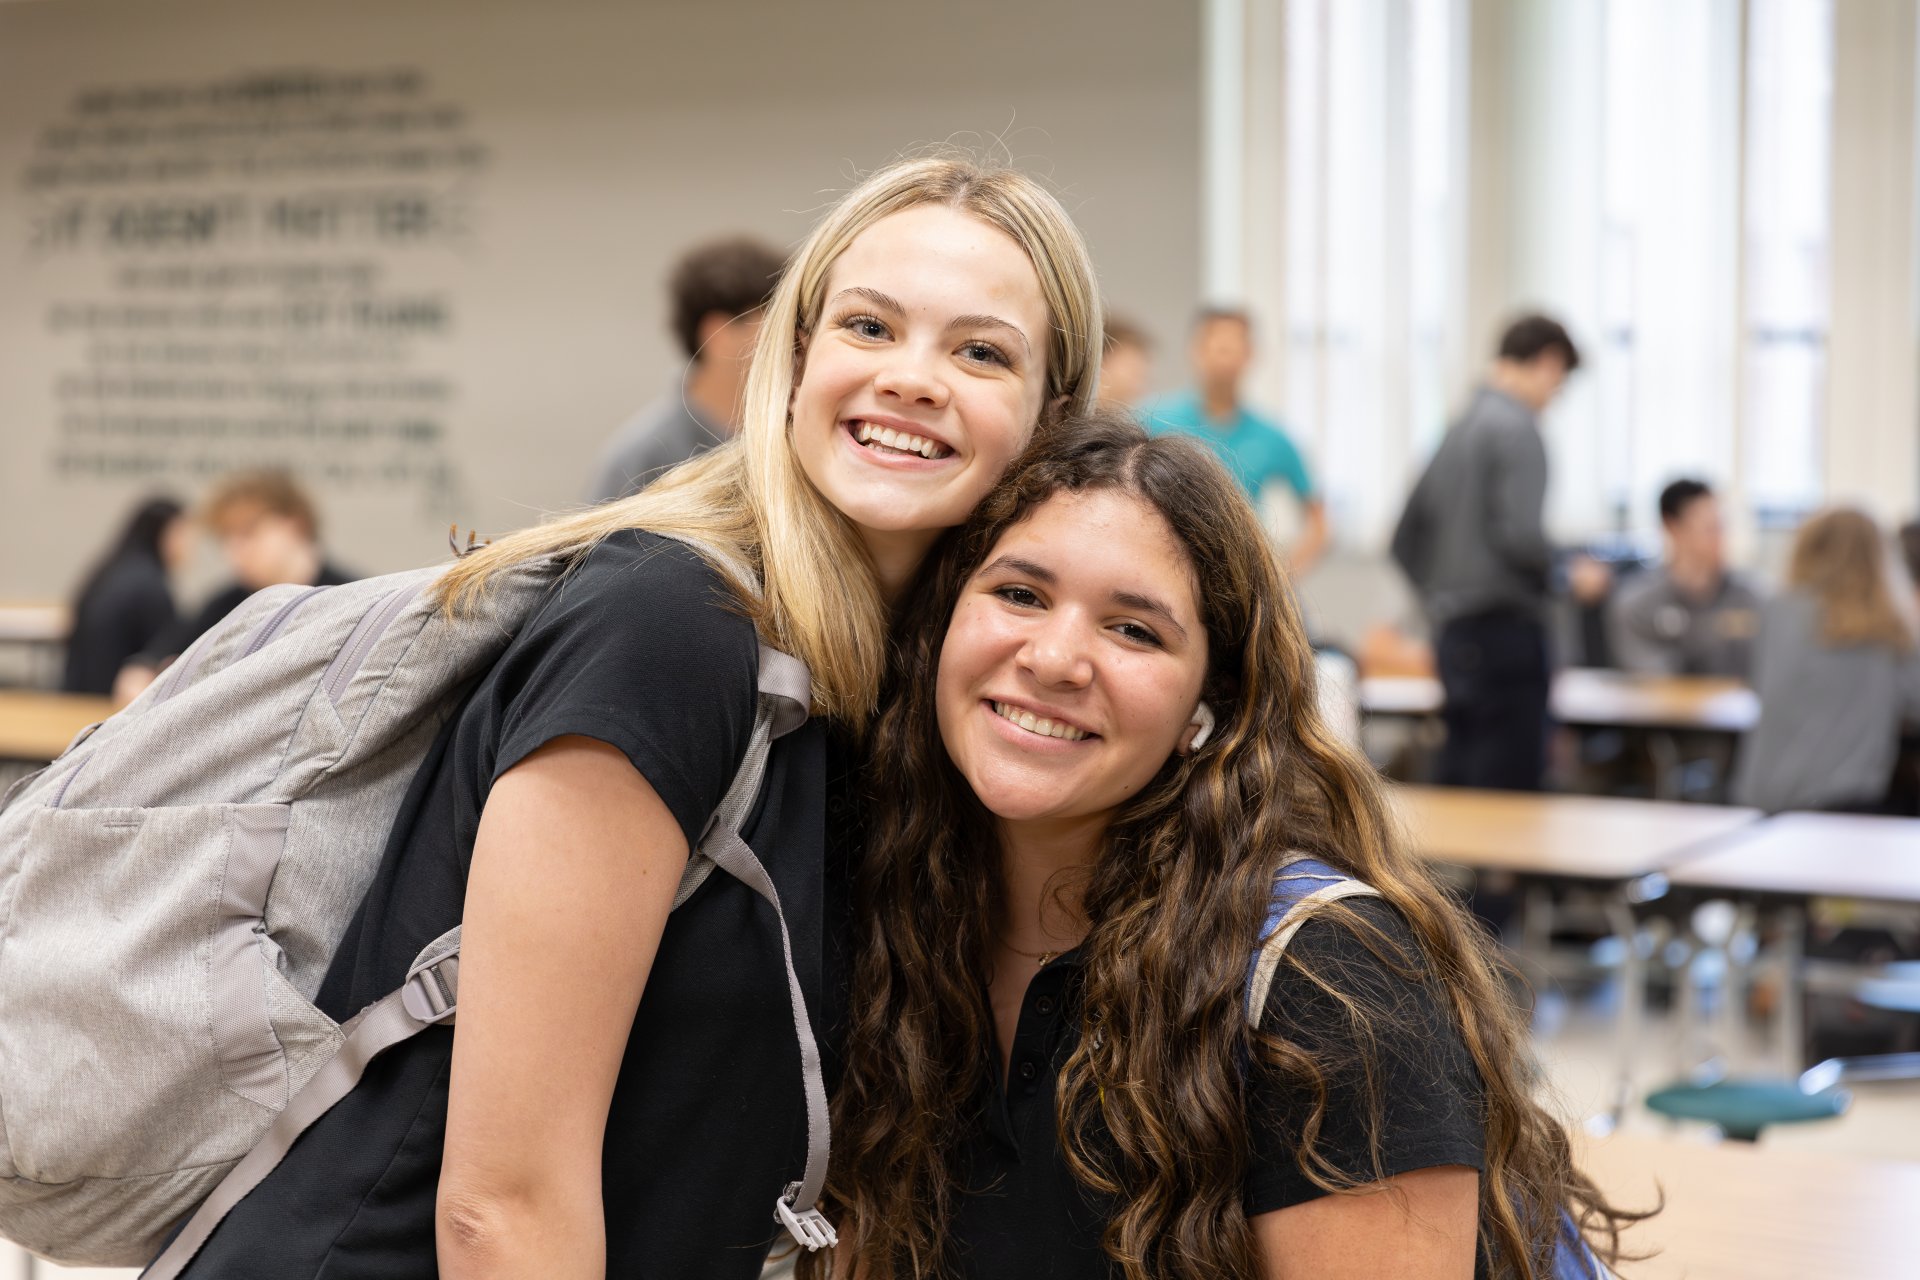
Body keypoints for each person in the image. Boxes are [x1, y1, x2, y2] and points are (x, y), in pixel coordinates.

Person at [172, 155, 1103, 1278]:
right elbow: (503, 1205)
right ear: (795, 359)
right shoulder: (671, 627)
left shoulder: (891, 692)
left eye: (979, 350)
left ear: (1053, 414)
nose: (911, 377)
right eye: (868, 326)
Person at [816, 415, 1638, 1280]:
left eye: (1135, 630)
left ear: (1207, 709)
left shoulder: (1328, 980)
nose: (1056, 658)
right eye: (1019, 594)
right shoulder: (893, 919)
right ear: (940, 626)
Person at [1390, 314, 1584, 791]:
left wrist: (1441, 600)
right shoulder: (1519, 430)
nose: (1553, 397)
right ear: (1548, 363)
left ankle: (1453, 872)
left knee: (1462, 779)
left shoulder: (1455, 431)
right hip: (1507, 637)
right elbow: (1521, 537)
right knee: (1510, 793)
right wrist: (1566, 572)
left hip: (1455, 637)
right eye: (1558, 384)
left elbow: (1402, 539)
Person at [113, 471, 356, 706]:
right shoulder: (225, 604)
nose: (235, 551)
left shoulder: (352, 596)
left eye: (248, 532)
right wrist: (143, 671)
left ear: (295, 525)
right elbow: (157, 657)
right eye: (227, 539)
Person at [1733, 508, 1920, 813]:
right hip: (1845, 803)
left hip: (1762, 797)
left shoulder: (1775, 609)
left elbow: (1761, 686)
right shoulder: (1886, 623)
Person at [587, 236, 787, 501]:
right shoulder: (643, 461)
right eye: (774, 322)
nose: (793, 338)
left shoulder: (796, 435)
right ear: (719, 335)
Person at [1140, 308, 1328, 575]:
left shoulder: (1272, 437)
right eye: (1216, 346)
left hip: (1238, 575)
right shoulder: (1152, 419)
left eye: (1233, 347)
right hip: (1162, 568)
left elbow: (1319, 524)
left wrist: (1282, 578)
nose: (1224, 356)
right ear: (1196, 351)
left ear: (1250, 355)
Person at [1609, 479, 1763, 678]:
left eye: (1722, 527)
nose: (1721, 538)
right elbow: (1652, 681)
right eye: (1710, 528)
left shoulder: (1751, 598)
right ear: (1672, 527)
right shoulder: (1638, 605)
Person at [60, 496, 190, 695]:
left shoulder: (112, 570)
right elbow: (167, 659)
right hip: (110, 704)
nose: (189, 545)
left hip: (76, 693)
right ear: (163, 533)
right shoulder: (150, 587)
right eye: (183, 534)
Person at [1096, 315, 1154, 412]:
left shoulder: (1112, 418)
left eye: (1142, 377)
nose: (1139, 387)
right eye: (1133, 371)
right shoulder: (1073, 415)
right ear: (1102, 360)